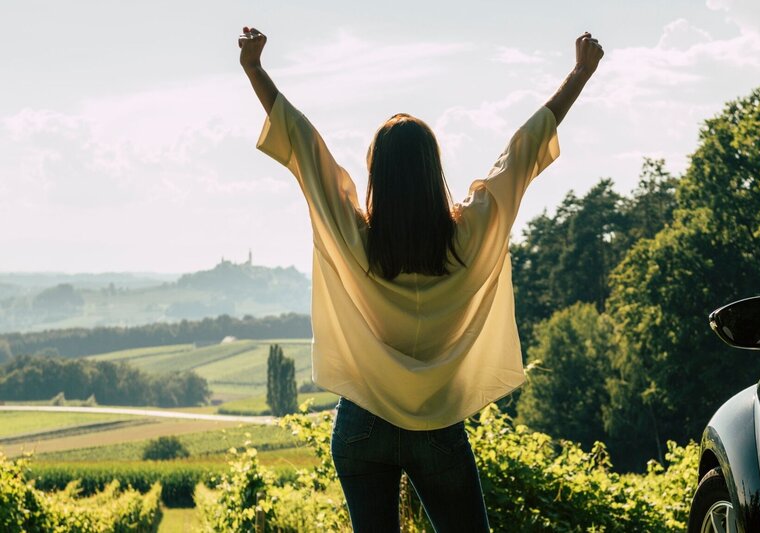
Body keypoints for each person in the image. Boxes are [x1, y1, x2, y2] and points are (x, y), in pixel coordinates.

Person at [239, 26, 603, 532]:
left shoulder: (355, 238)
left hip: (363, 421)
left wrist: (256, 70)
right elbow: (521, 151)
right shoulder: (467, 235)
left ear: (376, 175)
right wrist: (579, 75)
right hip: (436, 425)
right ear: (434, 171)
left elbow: (305, 147)